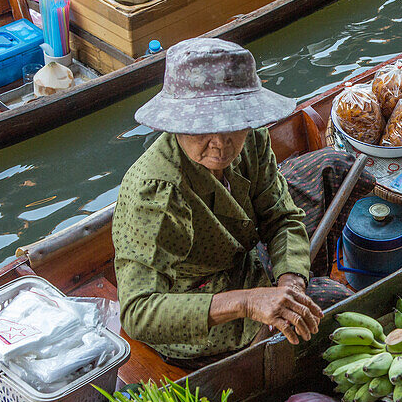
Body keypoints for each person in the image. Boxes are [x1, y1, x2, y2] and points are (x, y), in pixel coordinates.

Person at [113, 38, 374, 367]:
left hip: (246, 253)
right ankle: (302, 301)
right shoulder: (154, 192)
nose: (221, 144)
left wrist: (290, 280)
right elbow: (138, 313)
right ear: (175, 123)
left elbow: (281, 217)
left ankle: (301, 281)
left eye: (232, 125)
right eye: (203, 129)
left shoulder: (251, 138)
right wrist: (249, 303)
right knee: (335, 302)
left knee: (337, 168)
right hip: (204, 303)